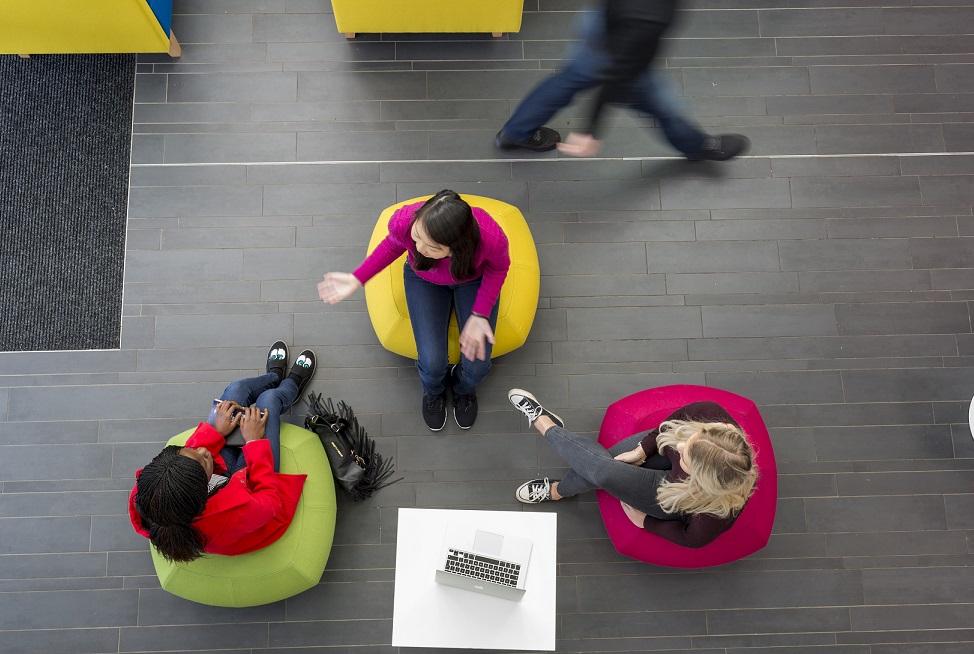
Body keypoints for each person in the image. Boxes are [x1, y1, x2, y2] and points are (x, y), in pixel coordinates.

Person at [318, 190, 510, 432]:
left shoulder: (490, 238)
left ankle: (462, 389)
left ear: (456, 248)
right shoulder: (405, 222)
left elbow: (499, 268)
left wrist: (481, 312)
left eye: (431, 246)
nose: (417, 247)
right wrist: (358, 278)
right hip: (424, 279)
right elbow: (392, 246)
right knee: (431, 364)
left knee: (477, 367)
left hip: (472, 280)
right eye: (417, 237)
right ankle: (434, 392)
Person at [129, 341, 317, 563]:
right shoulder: (227, 517)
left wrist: (215, 431)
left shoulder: (154, 490)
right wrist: (254, 442)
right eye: (202, 459)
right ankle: (289, 387)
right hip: (253, 498)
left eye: (189, 451)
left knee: (235, 392)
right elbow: (270, 501)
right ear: (202, 490)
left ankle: (273, 377)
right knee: (268, 402)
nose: (202, 450)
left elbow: (194, 455)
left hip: (222, 482)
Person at [494, 0, 750, 161]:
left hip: (601, 21)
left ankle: (515, 132)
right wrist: (589, 131)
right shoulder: (653, 15)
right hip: (625, 40)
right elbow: (618, 75)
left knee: (572, 76)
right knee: (660, 102)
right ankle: (698, 146)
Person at [507, 389, 757, 548]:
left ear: (701, 478)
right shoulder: (710, 414)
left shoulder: (715, 513)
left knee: (604, 472)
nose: (678, 444)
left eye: (685, 455)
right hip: (657, 457)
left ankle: (544, 425)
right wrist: (643, 449)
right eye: (690, 440)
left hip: (677, 494)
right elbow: (672, 425)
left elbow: (691, 539)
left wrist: (646, 522)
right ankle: (560, 488)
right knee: (606, 467)